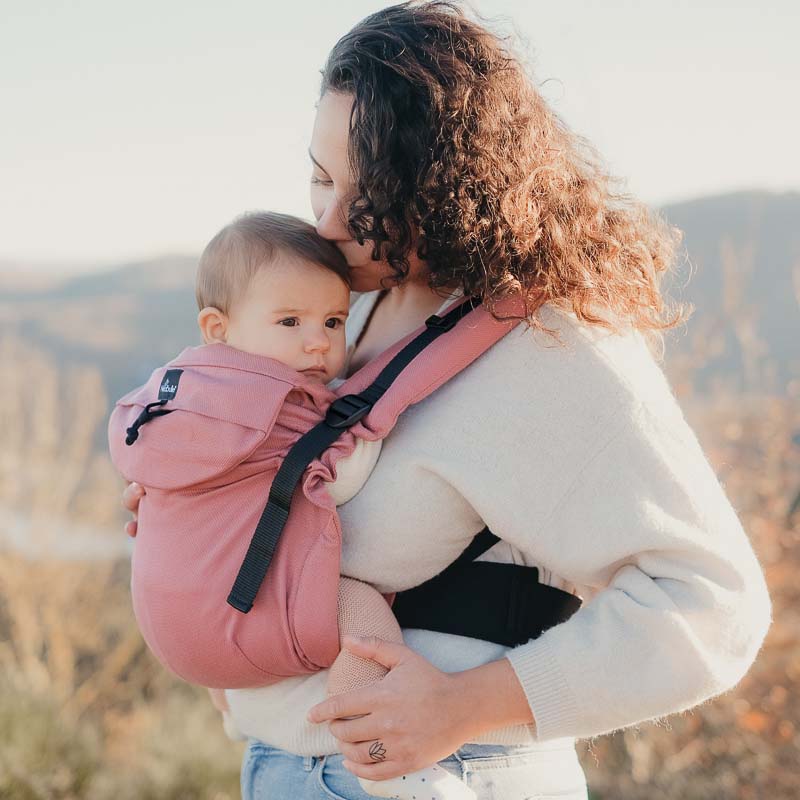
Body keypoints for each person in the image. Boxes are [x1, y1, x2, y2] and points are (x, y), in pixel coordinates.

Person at [122, 3, 772, 798]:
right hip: (283, 767)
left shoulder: (547, 347)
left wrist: (466, 707)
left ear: (445, 188)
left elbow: (712, 602)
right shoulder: (344, 315)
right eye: (319, 177)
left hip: (454, 774)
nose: (325, 221)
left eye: (364, 196)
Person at [111, 209, 478, 799]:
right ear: (218, 328)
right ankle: (378, 756)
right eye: (290, 321)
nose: (318, 341)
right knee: (359, 614)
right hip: (241, 619)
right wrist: (375, 434)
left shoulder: (172, 395)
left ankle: (233, 712)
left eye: (334, 321)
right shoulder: (279, 404)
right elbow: (338, 484)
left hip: (176, 633)